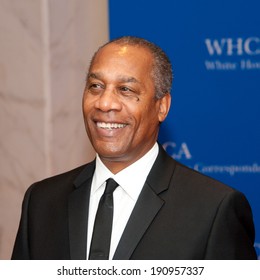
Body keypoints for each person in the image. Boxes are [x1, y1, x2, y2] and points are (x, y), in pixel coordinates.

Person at [12, 36, 257, 260]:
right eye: (95, 86)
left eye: (126, 89)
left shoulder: (214, 209)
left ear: (162, 107)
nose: (105, 103)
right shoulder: (41, 201)